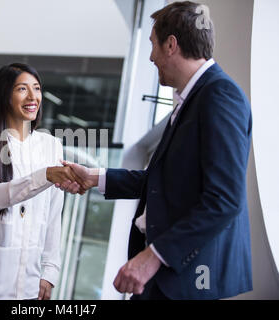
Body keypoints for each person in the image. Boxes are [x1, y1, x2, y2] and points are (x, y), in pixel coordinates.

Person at [58, 1, 253, 300]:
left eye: (153, 45)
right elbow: (161, 181)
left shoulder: (220, 96)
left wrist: (153, 257)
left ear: (171, 45)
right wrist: (94, 177)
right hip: (166, 278)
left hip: (185, 281)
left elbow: (224, 200)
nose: (151, 57)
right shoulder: (193, 98)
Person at [0, 63, 83, 300]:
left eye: (37, 88)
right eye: (22, 89)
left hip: (26, 284)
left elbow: (53, 214)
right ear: (4, 96)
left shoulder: (51, 146)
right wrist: (46, 175)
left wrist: (50, 271)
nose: (33, 97)